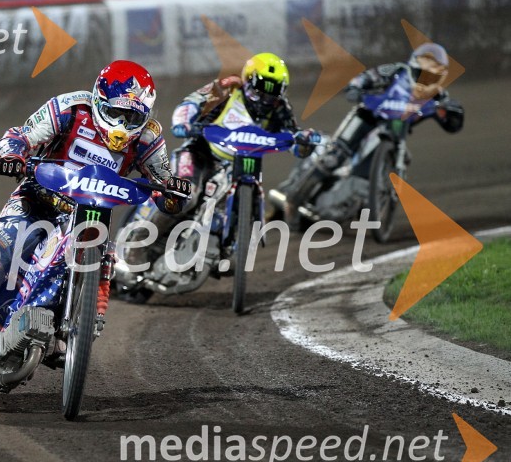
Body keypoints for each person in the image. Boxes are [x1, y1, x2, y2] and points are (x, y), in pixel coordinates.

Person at [0, 60, 191, 401]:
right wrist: (13, 153)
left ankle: (73, 331)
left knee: (107, 262)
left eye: (132, 118)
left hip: (91, 220)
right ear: (98, 99)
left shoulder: (149, 137)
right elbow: (21, 135)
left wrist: (175, 192)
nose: (123, 126)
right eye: (117, 114)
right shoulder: (68, 108)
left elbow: (165, 185)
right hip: (37, 203)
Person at [114, 52, 319, 285]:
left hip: (242, 163)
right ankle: (137, 244)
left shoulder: (280, 107)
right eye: (262, 86)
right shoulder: (227, 88)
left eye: (273, 89)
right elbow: (192, 102)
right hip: (201, 152)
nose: (265, 95)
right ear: (249, 79)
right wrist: (184, 122)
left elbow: (294, 137)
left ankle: (227, 244)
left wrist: (304, 142)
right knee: (185, 196)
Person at [276, 42, 464, 216]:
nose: (426, 81)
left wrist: (450, 114)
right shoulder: (397, 71)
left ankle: (371, 198)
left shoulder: (437, 95)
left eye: (432, 77)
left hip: (394, 132)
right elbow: (366, 77)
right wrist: (356, 87)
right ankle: (293, 200)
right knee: (333, 156)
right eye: (422, 74)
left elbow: (453, 122)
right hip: (366, 116)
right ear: (413, 68)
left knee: (403, 157)